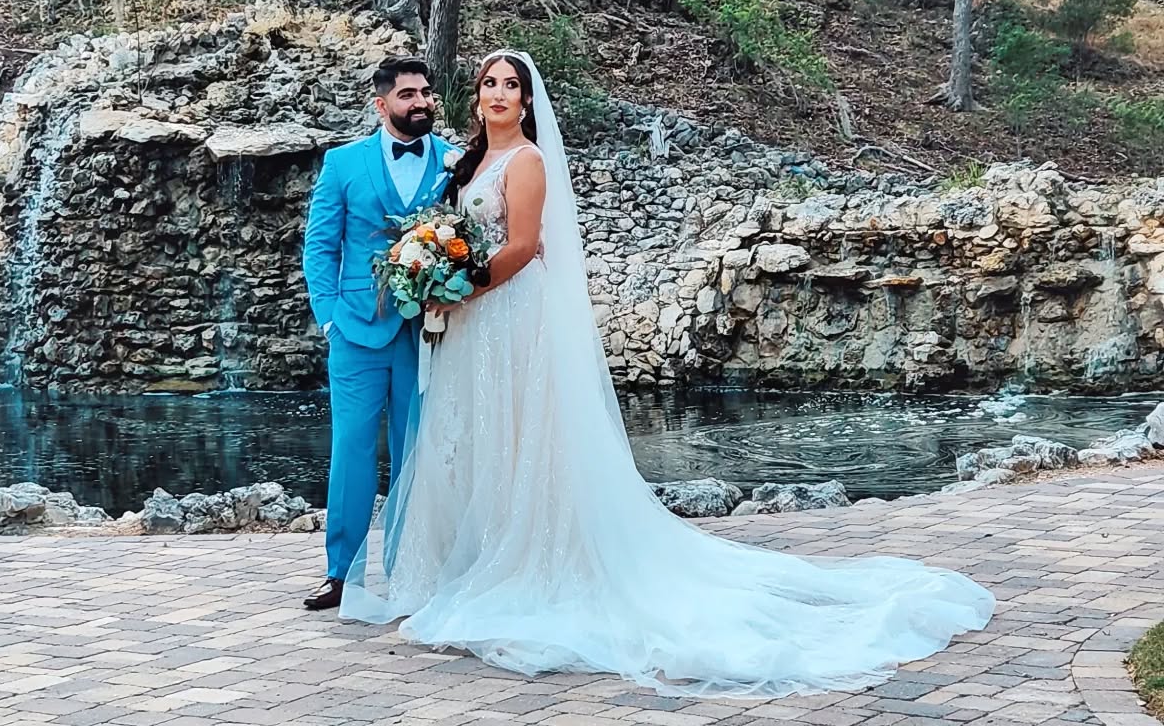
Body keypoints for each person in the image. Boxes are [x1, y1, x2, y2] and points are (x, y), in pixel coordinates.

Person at [339, 49, 995, 697]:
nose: (499, 94)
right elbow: (458, 230)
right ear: (476, 96)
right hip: (472, 329)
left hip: (509, 314)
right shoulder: (469, 160)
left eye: (512, 85)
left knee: (522, 437)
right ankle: (472, 558)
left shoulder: (529, 161)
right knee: (479, 439)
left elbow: (522, 247)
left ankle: (532, 560)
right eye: (489, 84)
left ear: (529, 100)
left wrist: (460, 289)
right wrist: (432, 270)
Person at [300, 57, 455, 611]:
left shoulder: (455, 163)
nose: (421, 102)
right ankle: (341, 573)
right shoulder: (342, 163)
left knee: (419, 453)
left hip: (430, 334)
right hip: (357, 332)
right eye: (408, 94)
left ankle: (409, 569)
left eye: (426, 93)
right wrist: (330, 317)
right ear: (382, 103)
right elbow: (320, 245)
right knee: (351, 452)